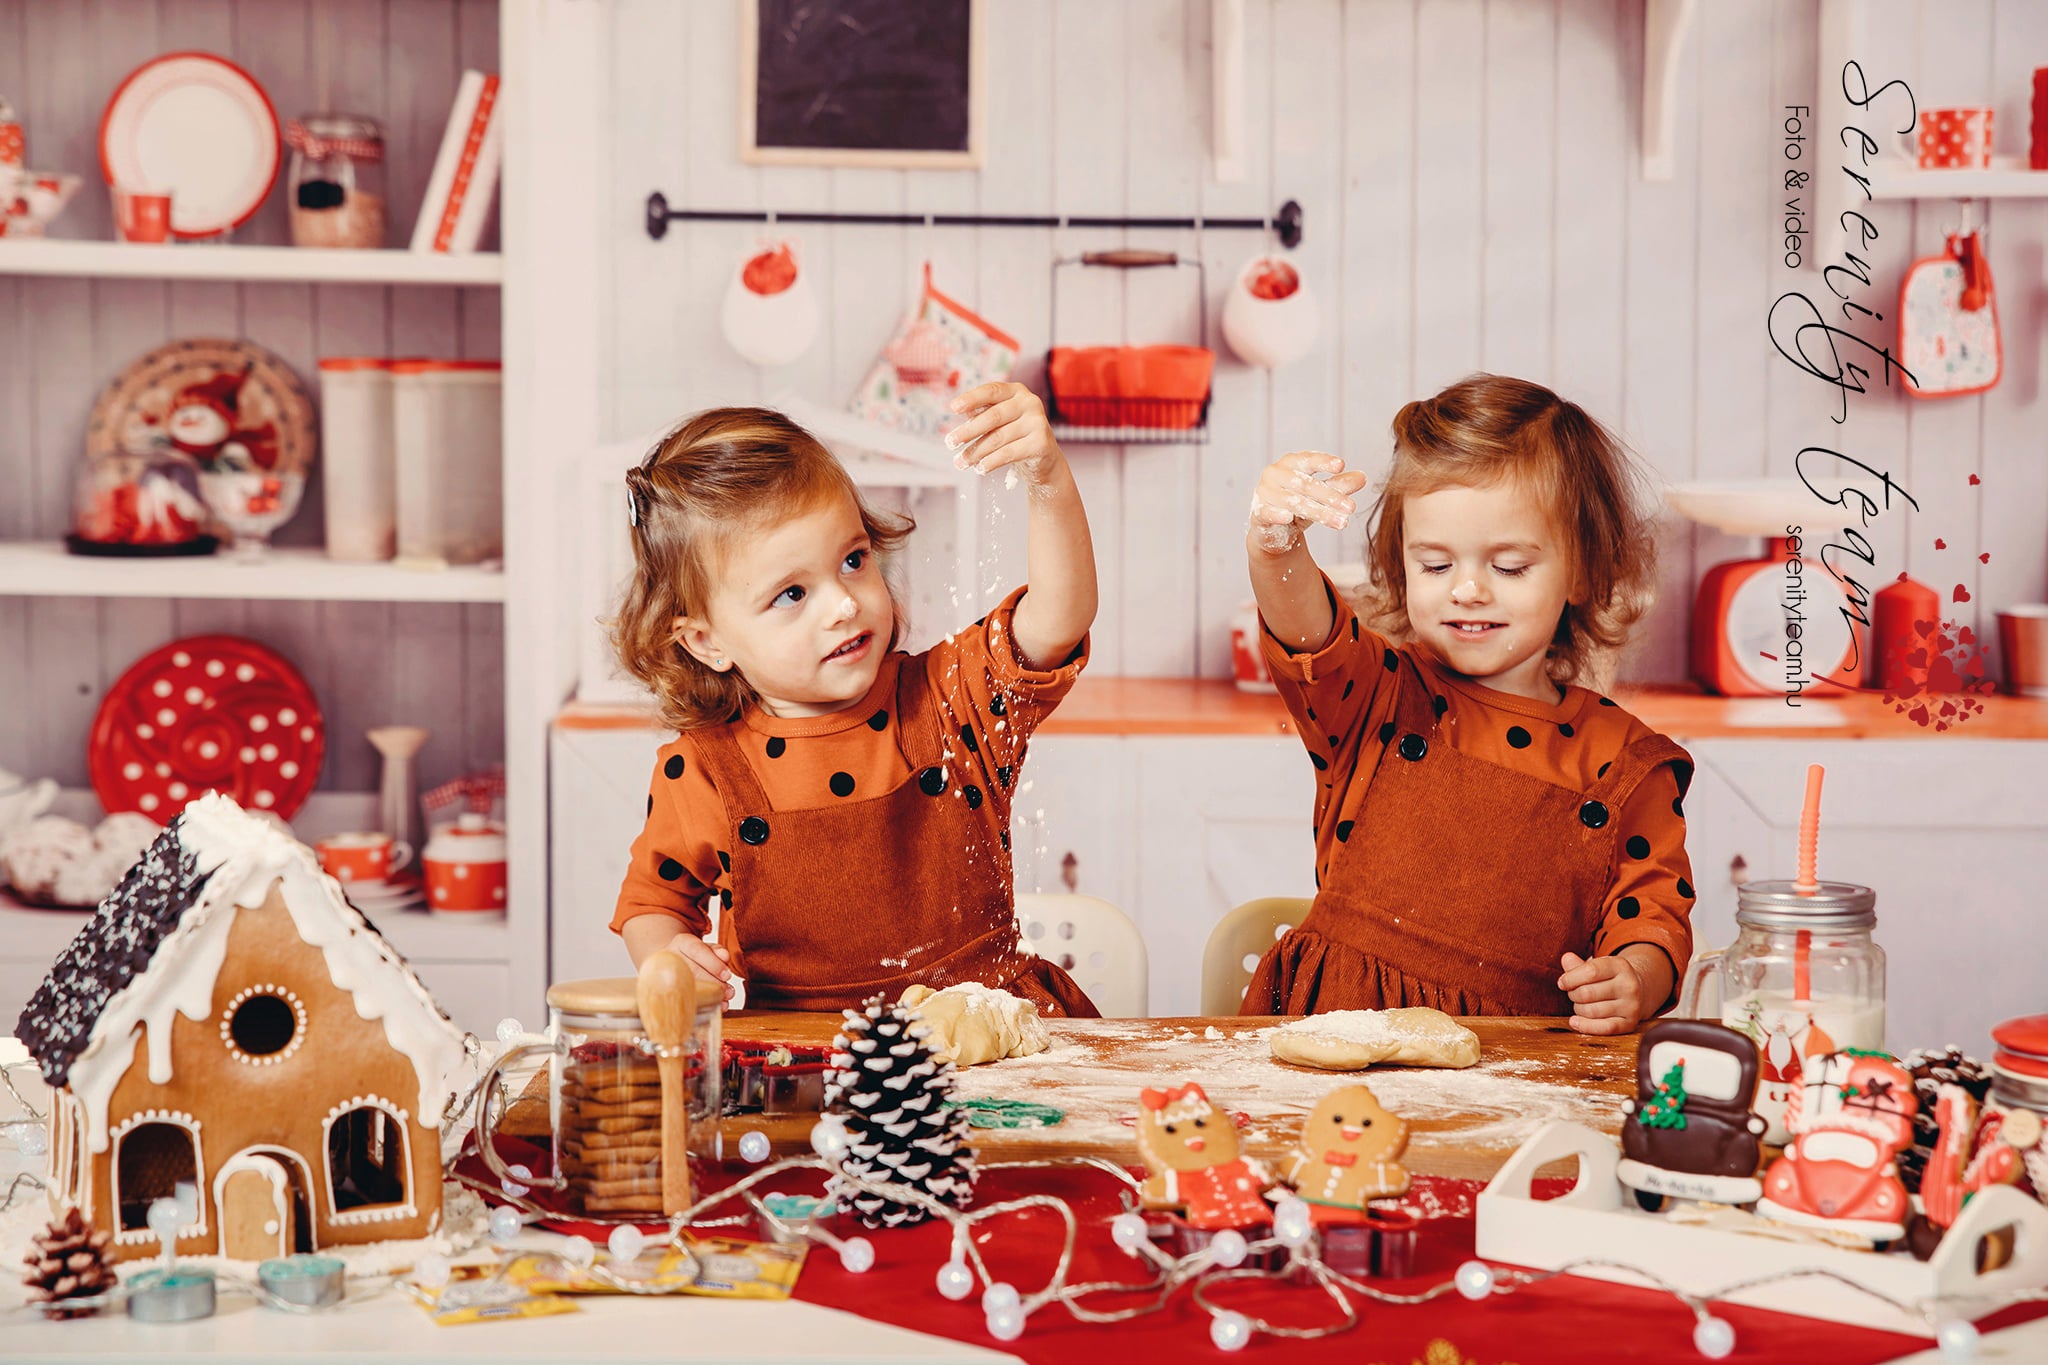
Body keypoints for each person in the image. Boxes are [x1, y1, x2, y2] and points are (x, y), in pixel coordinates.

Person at [608, 388, 1101, 1016]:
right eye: (791, 594)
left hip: (988, 1053)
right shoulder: (704, 769)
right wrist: (666, 956)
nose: (844, 604)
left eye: (852, 559)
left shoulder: (951, 701)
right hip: (802, 1068)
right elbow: (652, 904)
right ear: (707, 642)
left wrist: (1048, 479)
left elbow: (1060, 618)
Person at [1241, 373, 1694, 1034]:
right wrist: (1272, 542)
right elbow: (1305, 628)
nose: (1469, 590)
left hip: (1518, 1077)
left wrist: (1635, 979)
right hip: (1337, 1053)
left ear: (1585, 570)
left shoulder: (1624, 764)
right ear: (1399, 567)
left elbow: (1653, 916)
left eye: (1509, 566)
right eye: (1434, 565)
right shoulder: (1375, 695)